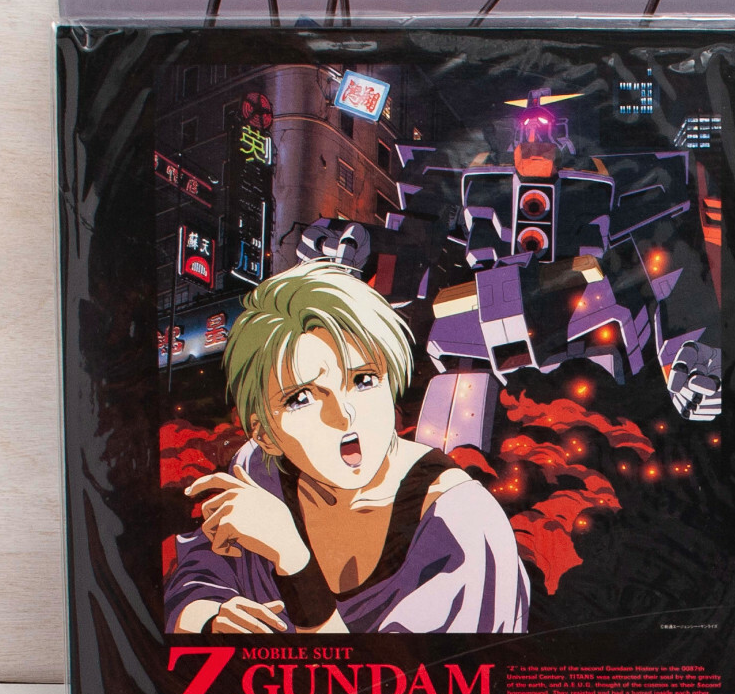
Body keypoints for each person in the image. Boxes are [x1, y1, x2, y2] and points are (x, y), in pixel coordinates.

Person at [166, 261, 529, 634]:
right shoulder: (260, 470)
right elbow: (193, 581)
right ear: (265, 434)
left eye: (364, 379)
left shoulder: (464, 523)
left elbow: (391, 672)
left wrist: (295, 562)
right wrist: (210, 620)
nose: (343, 415)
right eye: (301, 398)